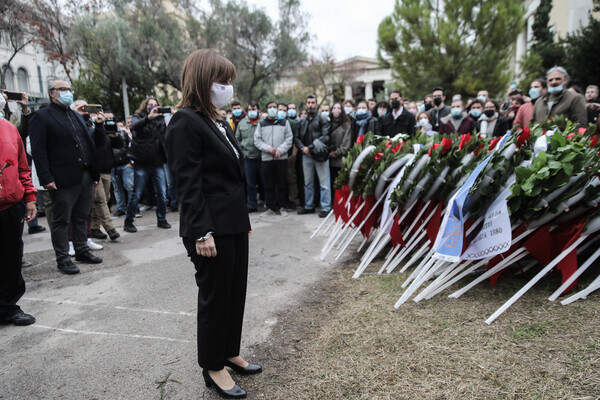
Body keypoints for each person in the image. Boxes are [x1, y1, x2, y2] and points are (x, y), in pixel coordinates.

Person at [166, 48, 260, 400]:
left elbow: (232, 180)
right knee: (215, 297)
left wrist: (243, 220)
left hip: (232, 222)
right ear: (204, 80)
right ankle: (212, 365)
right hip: (209, 228)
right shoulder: (184, 121)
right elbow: (188, 183)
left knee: (235, 291)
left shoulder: (216, 120)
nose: (227, 87)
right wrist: (201, 231)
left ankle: (229, 351)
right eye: (222, 80)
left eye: (229, 81)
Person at [30, 78, 104, 275]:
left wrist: (94, 173)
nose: (67, 92)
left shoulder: (75, 115)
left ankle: (82, 251)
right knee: (61, 220)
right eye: (62, 89)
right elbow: (39, 150)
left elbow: (88, 143)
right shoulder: (42, 116)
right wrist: (46, 178)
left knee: (81, 216)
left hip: (86, 175)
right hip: (62, 178)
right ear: (51, 93)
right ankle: (63, 259)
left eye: (69, 89)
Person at [0, 96, 37, 325]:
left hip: (11, 206)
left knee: (11, 258)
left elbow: (23, 168)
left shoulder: (10, 129)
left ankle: (8, 307)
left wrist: (30, 198)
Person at [71, 102, 122, 242]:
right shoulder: (79, 125)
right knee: (100, 200)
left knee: (104, 198)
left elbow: (112, 144)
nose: (88, 111)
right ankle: (111, 229)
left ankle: (94, 227)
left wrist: (114, 135)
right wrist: (77, 115)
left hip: (107, 168)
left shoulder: (99, 125)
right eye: (83, 108)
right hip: (94, 170)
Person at [123, 97, 171, 233]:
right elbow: (134, 127)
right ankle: (129, 221)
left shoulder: (160, 119)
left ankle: (162, 219)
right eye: (150, 105)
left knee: (162, 192)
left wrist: (168, 116)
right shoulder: (138, 117)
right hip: (142, 162)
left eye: (155, 105)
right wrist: (148, 118)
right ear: (145, 106)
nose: (153, 107)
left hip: (157, 162)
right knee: (136, 193)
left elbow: (166, 135)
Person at [254, 100, 293, 216]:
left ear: (277, 109)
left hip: (281, 158)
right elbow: (257, 140)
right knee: (268, 184)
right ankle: (270, 207)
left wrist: (280, 150)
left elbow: (289, 139)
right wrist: (268, 148)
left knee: (282, 183)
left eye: (274, 107)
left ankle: (282, 207)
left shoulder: (284, 122)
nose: (272, 109)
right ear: (266, 110)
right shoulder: (261, 124)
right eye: (270, 107)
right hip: (267, 158)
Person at [295, 94, 331, 217]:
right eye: (309, 102)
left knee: (324, 183)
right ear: (306, 104)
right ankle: (308, 206)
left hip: (320, 154)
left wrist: (309, 148)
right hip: (306, 155)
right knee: (308, 183)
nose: (310, 105)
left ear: (316, 104)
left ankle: (326, 207)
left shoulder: (323, 119)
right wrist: (302, 148)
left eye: (313, 102)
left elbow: (325, 137)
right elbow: (297, 137)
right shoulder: (302, 120)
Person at [235, 100, 264, 213]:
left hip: (262, 157)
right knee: (250, 183)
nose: (252, 112)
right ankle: (252, 204)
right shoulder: (242, 123)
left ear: (259, 110)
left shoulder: (263, 122)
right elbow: (237, 139)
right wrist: (241, 153)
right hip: (248, 157)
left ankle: (267, 202)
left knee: (264, 181)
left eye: (254, 109)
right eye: (250, 110)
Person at [111, 121, 135, 217]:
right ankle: (121, 208)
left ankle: (133, 208)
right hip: (113, 165)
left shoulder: (123, 133)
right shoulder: (105, 134)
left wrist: (131, 162)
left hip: (126, 164)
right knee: (117, 188)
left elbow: (132, 145)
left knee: (129, 186)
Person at [328, 102, 352, 193]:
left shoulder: (346, 125)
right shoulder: (328, 123)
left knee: (340, 186)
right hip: (329, 160)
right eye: (334, 107)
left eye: (338, 108)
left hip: (341, 160)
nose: (336, 110)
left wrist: (337, 152)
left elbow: (346, 143)